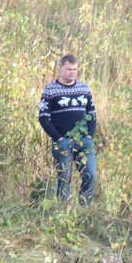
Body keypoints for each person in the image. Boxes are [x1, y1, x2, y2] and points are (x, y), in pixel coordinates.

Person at [38, 54, 97, 204]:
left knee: (90, 176)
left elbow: (92, 114)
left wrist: (89, 136)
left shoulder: (84, 88)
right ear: (61, 68)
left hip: (83, 140)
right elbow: (43, 117)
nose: (72, 72)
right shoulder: (51, 89)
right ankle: (63, 214)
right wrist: (58, 138)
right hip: (63, 141)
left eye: (75, 69)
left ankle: (84, 210)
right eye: (69, 69)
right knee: (64, 179)